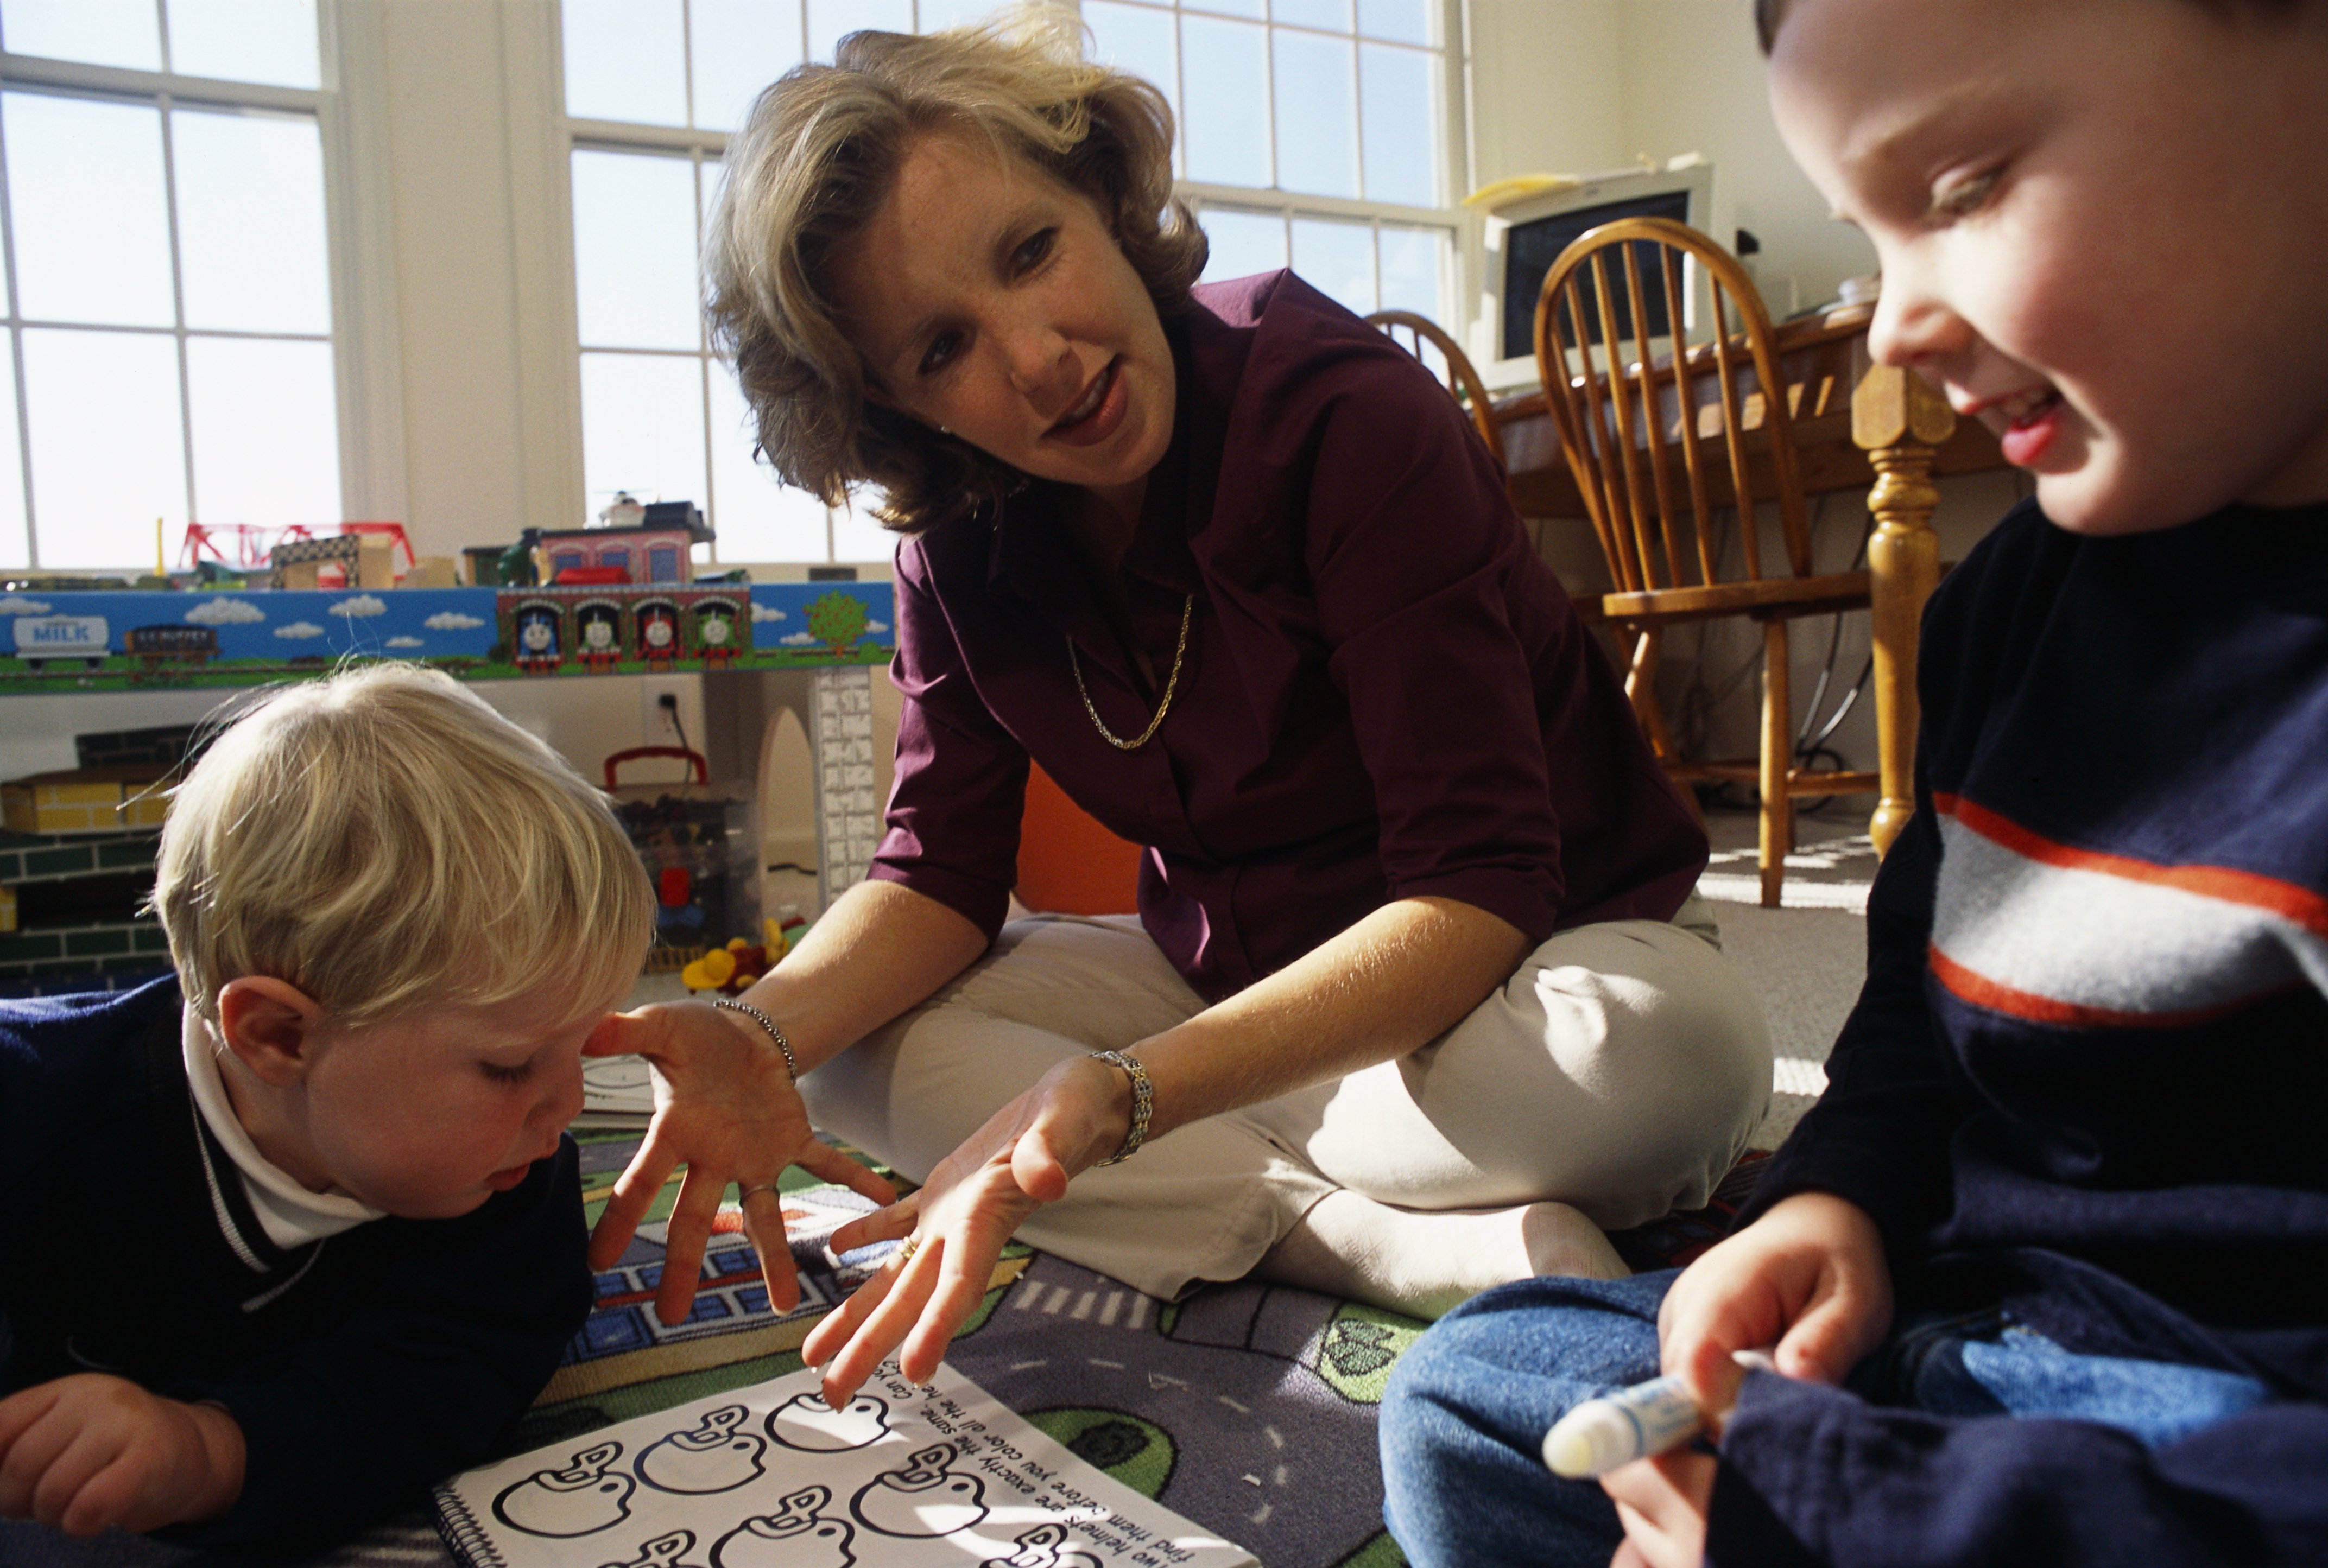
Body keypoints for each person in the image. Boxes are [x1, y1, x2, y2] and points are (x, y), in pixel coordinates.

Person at [585, 9, 1773, 1406]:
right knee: (841, 1069)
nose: (1036, 361)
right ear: (894, 408)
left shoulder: (1338, 410)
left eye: (1033, 252)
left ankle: (1193, 1158)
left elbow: (1477, 887)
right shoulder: (950, 548)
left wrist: (1125, 1093)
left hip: (1530, 956)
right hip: (1228, 976)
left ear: (1102, 199)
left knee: (1662, 1064)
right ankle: (1354, 1233)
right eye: (942, 347)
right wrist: (761, 1032)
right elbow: (932, 874)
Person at [1378, 0, 2328, 1563]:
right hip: (1986, 1318)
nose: (1889, 327)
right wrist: (1840, 1210)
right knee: (1475, 1387)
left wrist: (1873, 1517)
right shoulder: (2013, 606)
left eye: (1957, 191)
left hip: (2232, 1437)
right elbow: (1911, 1034)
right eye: (1868, 238)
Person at [0, 665, 670, 1551]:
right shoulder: (35, 1116)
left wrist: (209, 1449)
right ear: (279, 1034)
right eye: (510, 1067)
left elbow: (449, 1378)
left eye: (579, 1043)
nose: (568, 1107)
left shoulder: (507, 1178)